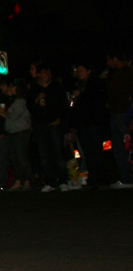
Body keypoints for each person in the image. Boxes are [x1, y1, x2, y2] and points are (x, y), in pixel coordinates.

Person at [27, 63, 74, 192]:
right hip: (40, 125)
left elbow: (63, 105)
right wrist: (37, 100)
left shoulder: (56, 87)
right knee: (44, 154)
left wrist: (60, 119)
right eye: (44, 73)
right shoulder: (34, 89)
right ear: (39, 74)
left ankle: (63, 180)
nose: (47, 75)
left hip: (54, 124)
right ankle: (50, 181)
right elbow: (30, 106)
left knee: (58, 152)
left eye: (48, 73)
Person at [71, 60, 109, 190]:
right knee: (87, 151)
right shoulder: (78, 83)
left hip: (94, 121)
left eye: (81, 70)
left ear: (89, 71)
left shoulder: (96, 83)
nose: (79, 73)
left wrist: (82, 95)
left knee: (97, 150)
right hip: (82, 122)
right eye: (78, 71)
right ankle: (93, 178)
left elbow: (98, 100)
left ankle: (103, 178)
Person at [106, 51, 133, 189]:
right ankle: (126, 176)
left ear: (115, 58)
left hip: (120, 114)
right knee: (126, 145)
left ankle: (126, 178)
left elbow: (113, 94)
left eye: (109, 59)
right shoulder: (127, 72)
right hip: (124, 113)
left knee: (122, 146)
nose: (107, 63)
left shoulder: (121, 73)